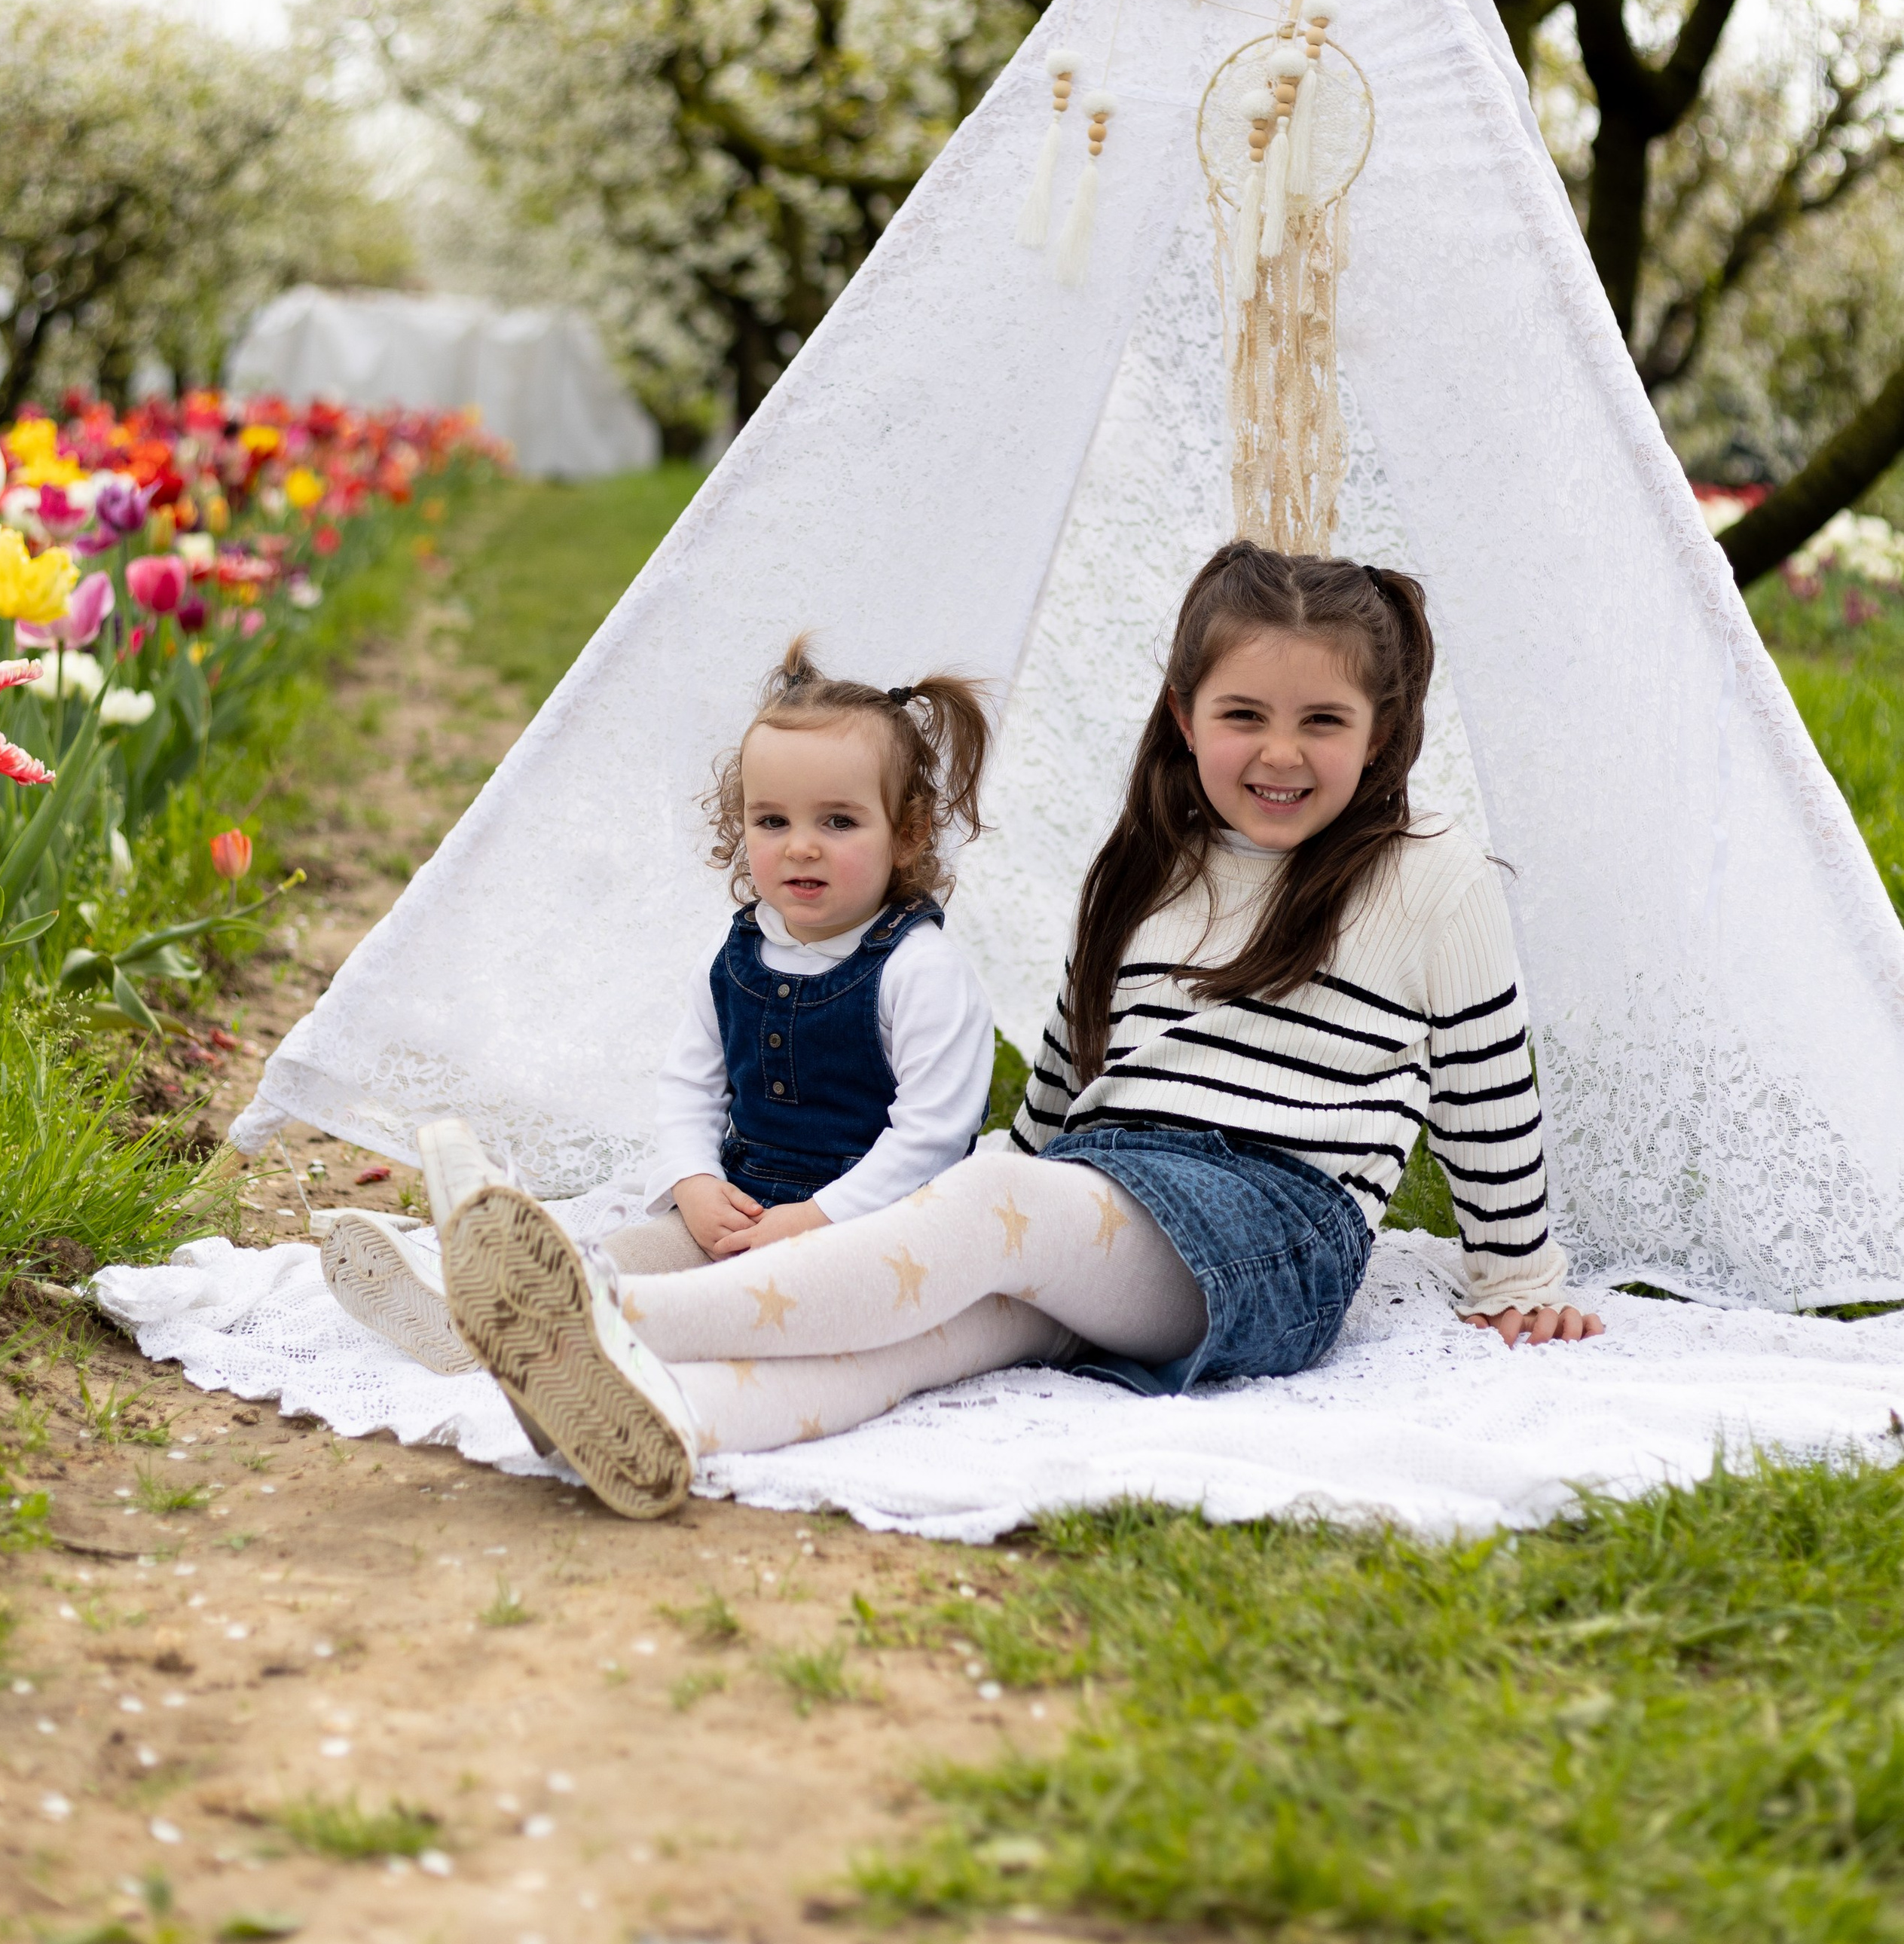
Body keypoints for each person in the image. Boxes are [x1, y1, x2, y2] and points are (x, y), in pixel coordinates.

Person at [419, 543, 1604, 1519]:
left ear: (1384, 730)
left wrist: (1519, 1271)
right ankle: (654, 1422)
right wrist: (1015, 1188)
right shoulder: (1150, 863)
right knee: (944, 1328)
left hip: (1273, 1225)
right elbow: (1073, 1064)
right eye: (1244, 713)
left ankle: (599, 1315)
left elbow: (1487, 1080)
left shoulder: (1428, 874)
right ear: (1186, 715)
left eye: (1322, 720)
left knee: (990, 1209)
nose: (1280, 752)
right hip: (1107, 1187)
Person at [318, 640, 998, 1374]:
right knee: (629, 1256)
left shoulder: (920, 971)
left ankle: (597, 1337)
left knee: (770, 1310)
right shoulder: (740, 956)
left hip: (872, 1226)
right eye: (772, 821)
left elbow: (931, 1134)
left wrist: (818, 1218)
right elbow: (690, 1084)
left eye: (838, 822)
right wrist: (695, 1182)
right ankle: (487, 1315)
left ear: (909, 832)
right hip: (742, 1202)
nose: (801, 847)